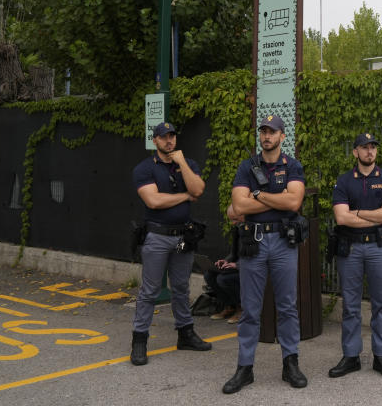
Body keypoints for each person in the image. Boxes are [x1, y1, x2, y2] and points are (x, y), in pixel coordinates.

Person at [222, 114, 307, 394]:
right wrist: (274, 198)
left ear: (283, 136)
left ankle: (290, 363)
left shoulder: (292, 166)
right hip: (254, 242)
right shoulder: (248, 166)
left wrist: (257, 195)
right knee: (250, 309)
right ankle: (244, 368)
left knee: (287, 306)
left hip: (283, 241)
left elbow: (294, 201)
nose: (267, 136)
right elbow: (237, 205)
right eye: (263, 131)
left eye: (272, 132)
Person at [130, 121, 211, 366]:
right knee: (150, 291)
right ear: (154, 140)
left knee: (181, 288)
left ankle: (185, 334)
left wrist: (183, 163)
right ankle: (139, 340)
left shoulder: (188, 164)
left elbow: (199, 189)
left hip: (182, 237)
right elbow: (153, 201)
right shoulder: (144, 169)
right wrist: (185, 196)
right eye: (164, 137)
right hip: (157, 236)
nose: (169, 141)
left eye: (172, 136)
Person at [328, 132, 382, 380]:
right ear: (355, 152)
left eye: (373, 147)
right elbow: (341, 218)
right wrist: (373, 214)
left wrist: (357, 212)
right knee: (350, 305)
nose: (370, 151)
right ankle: (351, 357)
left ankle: (381, 356)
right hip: (352, 249)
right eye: (364, 147)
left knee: (381, 303)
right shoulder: (344, 181)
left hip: (381, 248)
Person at [206, 204, 243, 323]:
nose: (232, 223)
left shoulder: (254, 230)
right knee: (209, 275)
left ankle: (241, 308)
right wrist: (226, 261)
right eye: (231, 219)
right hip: (239, 267)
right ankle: (229, 306)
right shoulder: (237, 229)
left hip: (249, 268)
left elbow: (257, 257)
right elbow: (234, 253)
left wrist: (238, 265)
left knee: (224, 279)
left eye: (235, 219)